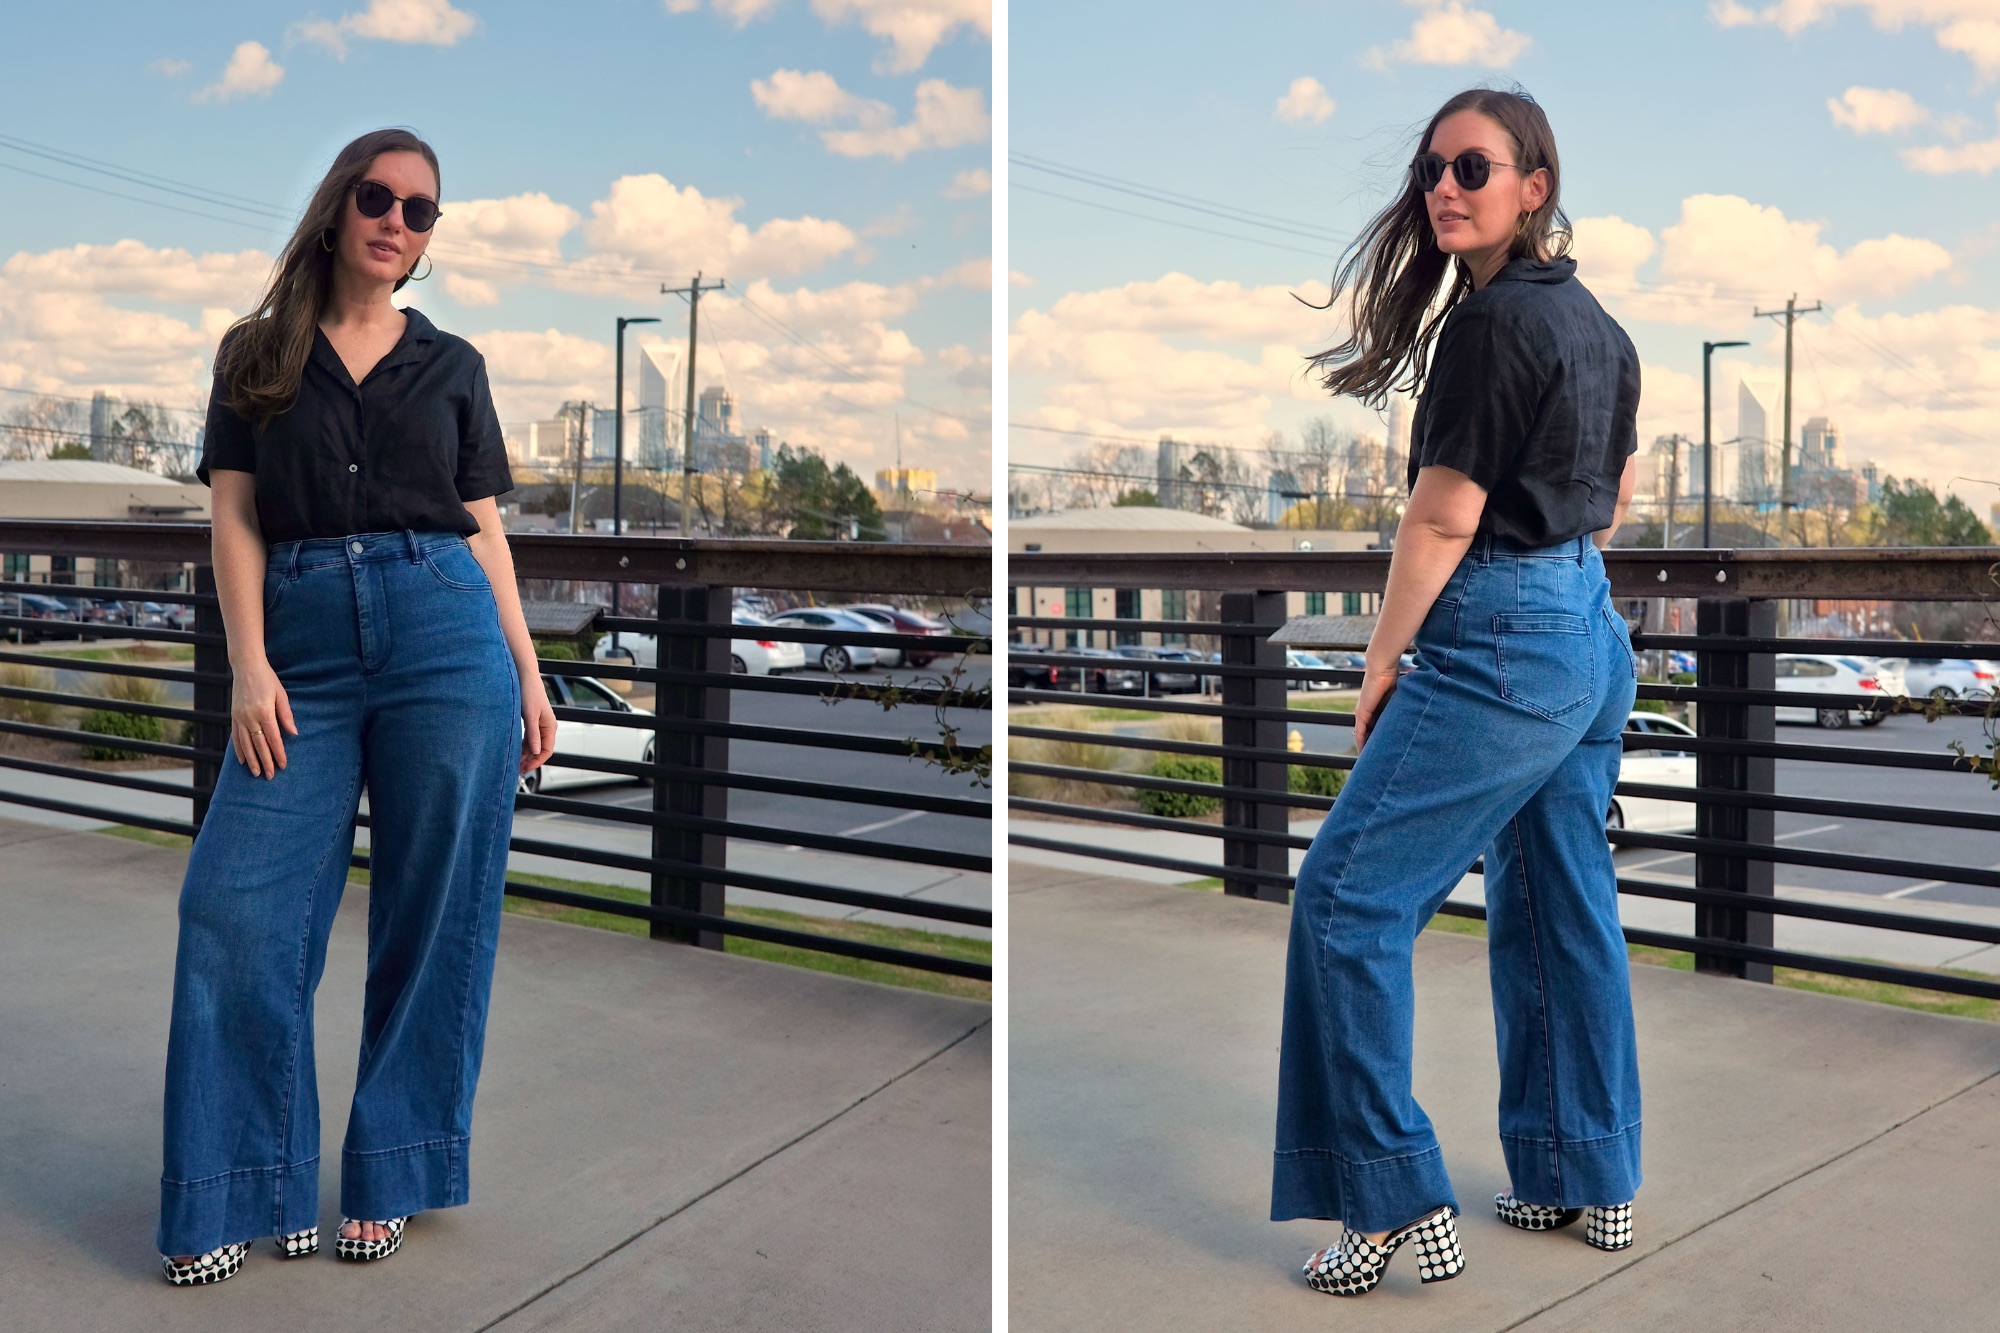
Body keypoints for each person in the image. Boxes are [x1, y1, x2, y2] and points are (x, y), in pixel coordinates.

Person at [157, 127, 559, 1285]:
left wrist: (527, 671)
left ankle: (394, 1169)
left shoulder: (454, 365)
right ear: (338, 206)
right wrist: (250, 666)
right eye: (378, 198)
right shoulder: (256, 352)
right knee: (234, 910)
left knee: (435, 913)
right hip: (302, 648)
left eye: (421, 210)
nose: (397, 221)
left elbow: (481, 525)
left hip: (445, 635)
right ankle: (242, 1182)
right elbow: (232, 517)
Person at [1273, 87, 1643, 1297]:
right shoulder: (1599, 328)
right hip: (1586, 626)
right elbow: (1614, 498)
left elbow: (1441, 514)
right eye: (1434, 168)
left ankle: (1389, 1196)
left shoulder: (1488, 329)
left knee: (1342, 899)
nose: (1444, 187)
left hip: (1501, 637)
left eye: (1472, 169)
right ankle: (1582, 1172)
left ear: (1533, 185)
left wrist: (1379, 660)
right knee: (1553, 902)